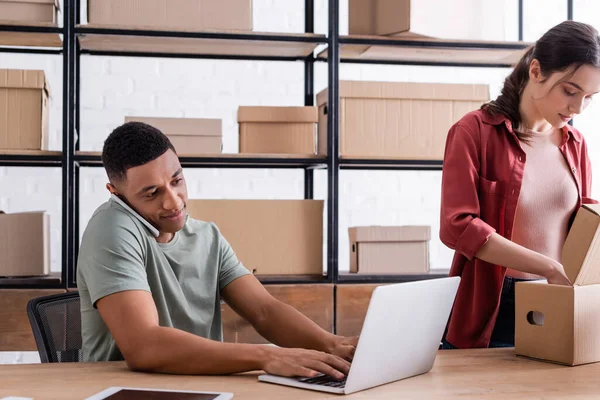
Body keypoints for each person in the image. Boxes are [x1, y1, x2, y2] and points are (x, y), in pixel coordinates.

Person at [76, 121, 358, 378]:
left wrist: (333, 345)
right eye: (152, 193)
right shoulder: (111, 230)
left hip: (197, 384)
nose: (174, 203)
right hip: (121, 388)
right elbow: (144, 346)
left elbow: (264, 310)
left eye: (177, 181)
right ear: (116, 192)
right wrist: (267, 355)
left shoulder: (206, 236)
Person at [439, 20, 600, 349]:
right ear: (537, 70)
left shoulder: (576, 144)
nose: (578, 107)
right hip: (492, 306)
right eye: (570, 91)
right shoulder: (474, 132)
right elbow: (457, 227)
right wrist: (548, 266)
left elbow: (586, 222)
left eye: (590, 97)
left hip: (560, 299)